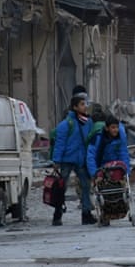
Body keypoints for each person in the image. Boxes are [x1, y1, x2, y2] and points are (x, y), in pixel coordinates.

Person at [51, 96, 97, 226]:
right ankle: (57, 214)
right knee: (61, 188)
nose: (85, 106)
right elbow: (60, 144)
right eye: (82, 104)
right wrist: (56, 161)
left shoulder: (88, 122)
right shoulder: (66, 124)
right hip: (67, 160)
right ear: (75, 107)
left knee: (86, 186)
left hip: (81, 160)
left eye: (85, 104)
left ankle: (86, 213)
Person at [86, 115, 130, 226]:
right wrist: (94, 172)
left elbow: (123, 154)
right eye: (112, 127)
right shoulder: (97, 139)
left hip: (116, 169)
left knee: (119, 190)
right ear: (107, 128)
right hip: (102, 169)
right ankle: (105, 214)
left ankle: (118, 211)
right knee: (102, 192)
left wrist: (126, 171)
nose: (115, 130)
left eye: (116, 127)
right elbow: (91, 156)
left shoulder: (120, 138)